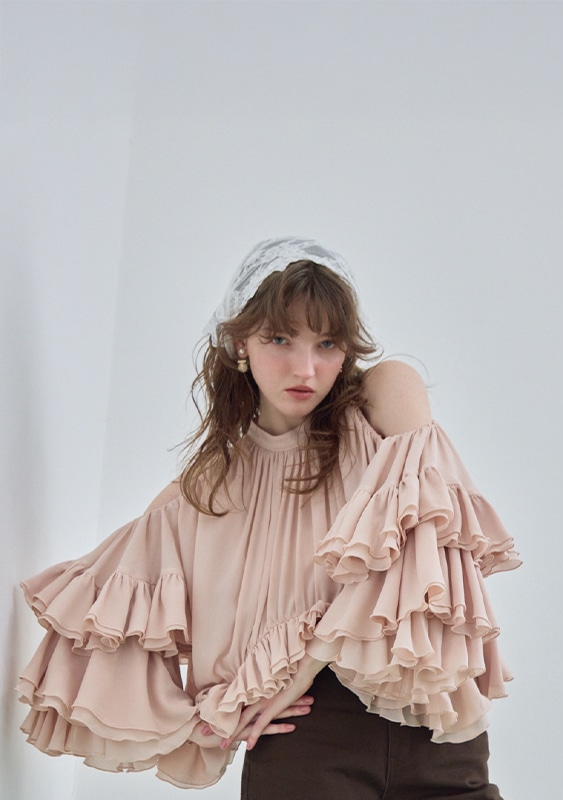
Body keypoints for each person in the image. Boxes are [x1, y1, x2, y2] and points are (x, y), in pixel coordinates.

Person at [17, 237, 521, 798]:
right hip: (307, 744)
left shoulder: (383, 402)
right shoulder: (205, 491)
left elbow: (421, 547)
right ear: (240, 343)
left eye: (327, 343)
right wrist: (198, 720)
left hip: (438, 726)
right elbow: (98, 625)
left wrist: (301, 667)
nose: (305, 367)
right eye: (279, 338)